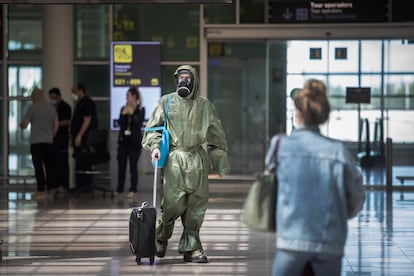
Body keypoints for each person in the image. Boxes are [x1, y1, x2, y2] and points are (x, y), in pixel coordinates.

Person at [268, 79, 366, 276]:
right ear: (324, 115)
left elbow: (272, 187)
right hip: (329, 241)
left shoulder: (280, 146)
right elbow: (356, 200)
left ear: (298, 113)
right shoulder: (339, 152)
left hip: (291, 240)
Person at [142, 65, 230, 263]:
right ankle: (160, 238)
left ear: (195, 80)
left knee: (196, 206)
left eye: (187, 78)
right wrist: (155, 146)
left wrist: (219, 157)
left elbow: (216, 133)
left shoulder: (205, 105)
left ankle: (192, 248)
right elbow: (153, 129)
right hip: (176, 159)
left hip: (197, 159)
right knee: (173, 204)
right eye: (181, 78)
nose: (184, 82)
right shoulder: (167, 102)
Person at [20, 88, 58, 197]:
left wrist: (21, 124)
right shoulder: (51, 108)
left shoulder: (32, 108)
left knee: (38, 166)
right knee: (49, 166)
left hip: (36, 142)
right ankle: (51, 189)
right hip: (48, 142)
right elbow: (56, 125)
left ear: (34, 97)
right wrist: (51, 136)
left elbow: (25, 124)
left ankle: (41, 189)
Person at [116, 86, 145, 200]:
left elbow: (138, 124)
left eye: (128, 95)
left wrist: (132, 114)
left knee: (133, 167)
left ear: (134, 97)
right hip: (123, 142)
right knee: (121, 166)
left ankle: (133, 190)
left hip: (134, 143)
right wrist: (124, 114)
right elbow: (120, 123)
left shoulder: (141, 109)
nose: (126, 98)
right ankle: (119, 190)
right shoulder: (124, 108)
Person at [70, 83, 98, 193]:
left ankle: (86, 186)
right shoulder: (79, 103)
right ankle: (80, 185)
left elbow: (87, 120)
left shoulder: (87, 103)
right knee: (79, 161)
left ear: (81, 91)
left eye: (74, 91)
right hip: (79, 138)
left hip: (85, 138)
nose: (73, 94)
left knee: (84, 162)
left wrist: (79, 135)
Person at [48, 87, 72, 195]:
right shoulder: (50, 108)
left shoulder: (65, 107)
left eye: (53, 98)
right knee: (52, 162)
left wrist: (56, 124)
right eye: (50, 98)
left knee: (62, 162)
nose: (52, 100)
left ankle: (64, 185)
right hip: (51, 138)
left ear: (58, 96)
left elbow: (67, 121)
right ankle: (54, 185)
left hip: (62, 138)